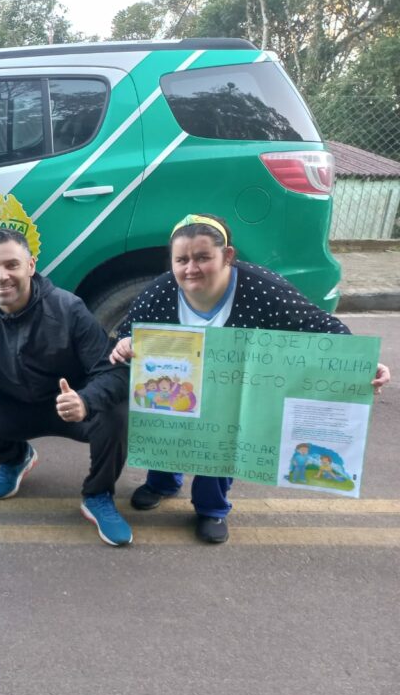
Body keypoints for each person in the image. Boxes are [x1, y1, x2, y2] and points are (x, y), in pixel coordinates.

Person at [110, 214, 391, 543]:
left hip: (232, 387)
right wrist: (125, 343)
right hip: (178, 385)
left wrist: (363, 365)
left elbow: (319, 327)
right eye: (181, 259)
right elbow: (125, 334)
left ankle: (211, 508)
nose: (191, 268)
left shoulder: (263, 289)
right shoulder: (158, 294)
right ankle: (162, 482)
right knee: (164, 420)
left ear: (227, 256)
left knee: (223, 431)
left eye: (203, 257)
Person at [0, 228, 132, 547]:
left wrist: (85, 401)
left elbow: (113, 374)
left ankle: (98, 495)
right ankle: (16, 458)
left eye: (11, 265)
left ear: (30, 265)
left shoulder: (69, 309)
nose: (1, 277)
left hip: (68, 407)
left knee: (115, 412)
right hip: (15, 408)